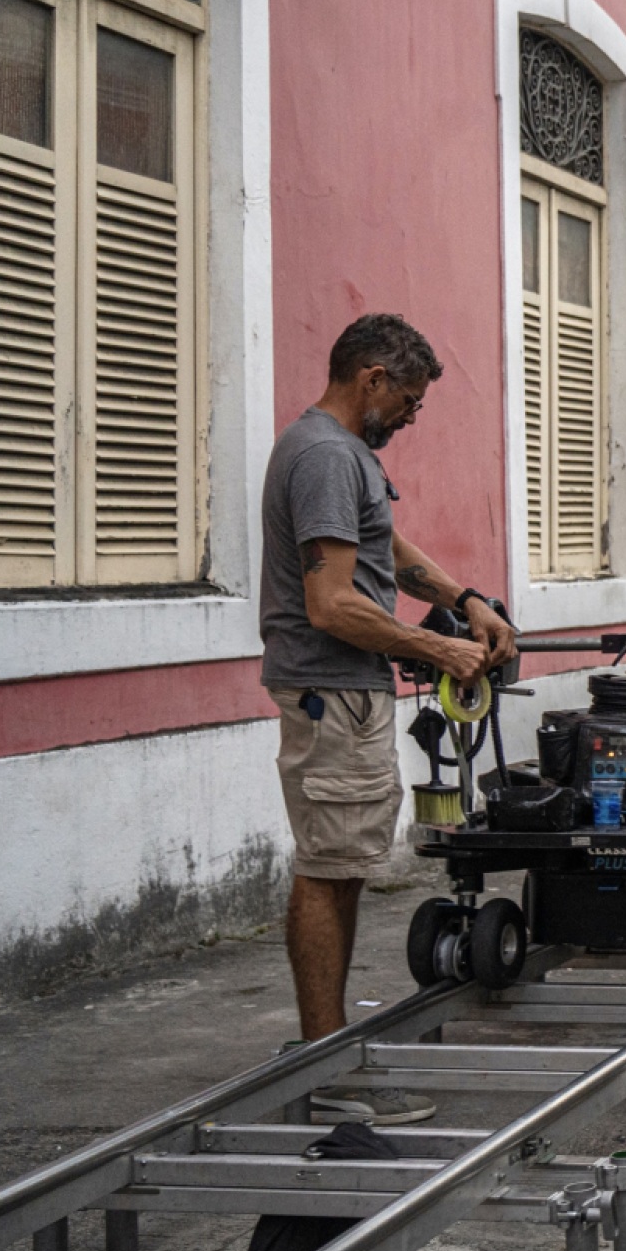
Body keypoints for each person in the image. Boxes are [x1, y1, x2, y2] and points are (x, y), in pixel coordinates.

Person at [261, 314, 519, 1125]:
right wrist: (439, 652)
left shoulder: (342, 457)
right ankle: (328, 1068)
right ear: (370, 377)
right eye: (406, 400)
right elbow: (331, 601)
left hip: (343, 689)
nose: (411, 417)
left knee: (340, 865)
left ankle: (324, 1048)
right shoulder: (327, 456)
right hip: (329, 688)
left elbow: (388, 552)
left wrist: (465, 599)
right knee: (328, 868)